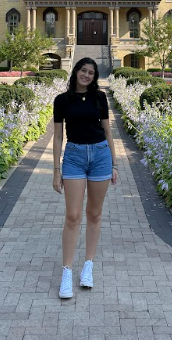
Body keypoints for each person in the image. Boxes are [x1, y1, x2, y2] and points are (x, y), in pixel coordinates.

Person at [53, 57, 118, 298]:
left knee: (95, 214)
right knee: (72, 216)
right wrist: (56, 170)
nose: (87, 75)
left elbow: (108, 130)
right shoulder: (61, 100)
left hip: (100, 155)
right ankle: (67, 271)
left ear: (94, 77)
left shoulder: (99, 98)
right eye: (83, 70)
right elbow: (58, 137)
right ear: (76, 72)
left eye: (91, 72)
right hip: (74, 156)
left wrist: (115, 163)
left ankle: (88, 266)